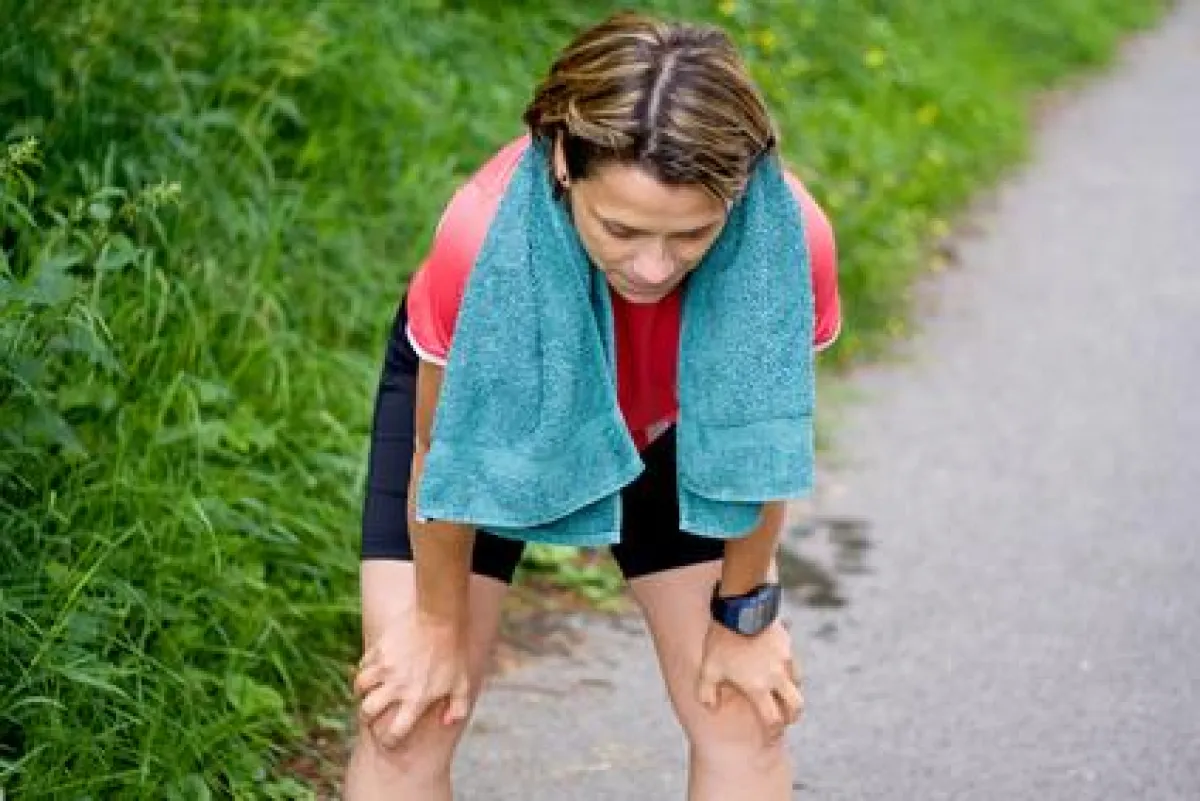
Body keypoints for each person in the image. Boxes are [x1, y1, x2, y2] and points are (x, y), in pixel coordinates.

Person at [347, 11, 841, 800]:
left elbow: (760, 440)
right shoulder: (477, 240)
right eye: (620, 228)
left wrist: (744, 615)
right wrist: (436, 625)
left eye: (690, 235)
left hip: (674, 426)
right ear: (567, 161)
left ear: (739, 194)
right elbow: (439, 454)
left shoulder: (788, 244)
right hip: (488, 422)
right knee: (410, 716)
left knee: (744, 714)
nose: (651, 266)